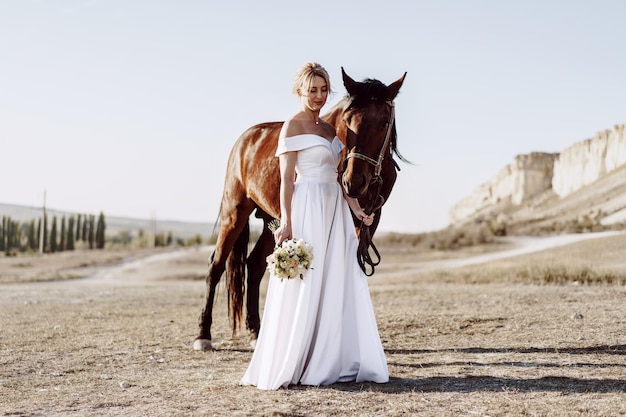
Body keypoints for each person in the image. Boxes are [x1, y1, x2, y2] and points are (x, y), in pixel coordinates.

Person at [240, 62, 389, 390]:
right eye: (312, 90)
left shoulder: (327, 129)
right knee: (306, 280)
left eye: (323, 90)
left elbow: (338, 179)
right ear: (299, 92)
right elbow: (286, 181)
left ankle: (332, 357)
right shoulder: (293, 126)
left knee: (335, 276)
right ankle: (298, 358)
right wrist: (287, 222)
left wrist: (358, 210)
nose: (319, 96)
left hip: (333, 207)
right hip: (307, 205)